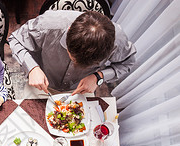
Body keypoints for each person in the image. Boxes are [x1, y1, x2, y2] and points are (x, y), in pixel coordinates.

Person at [8, 10, 136, 96]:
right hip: (40, 81)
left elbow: (128, 63)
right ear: (69, 31)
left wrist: (99, 77)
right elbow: (15, 39)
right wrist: (32, 68)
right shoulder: (48, 24)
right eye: (71, 56)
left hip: (83, 88)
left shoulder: (117, 40)